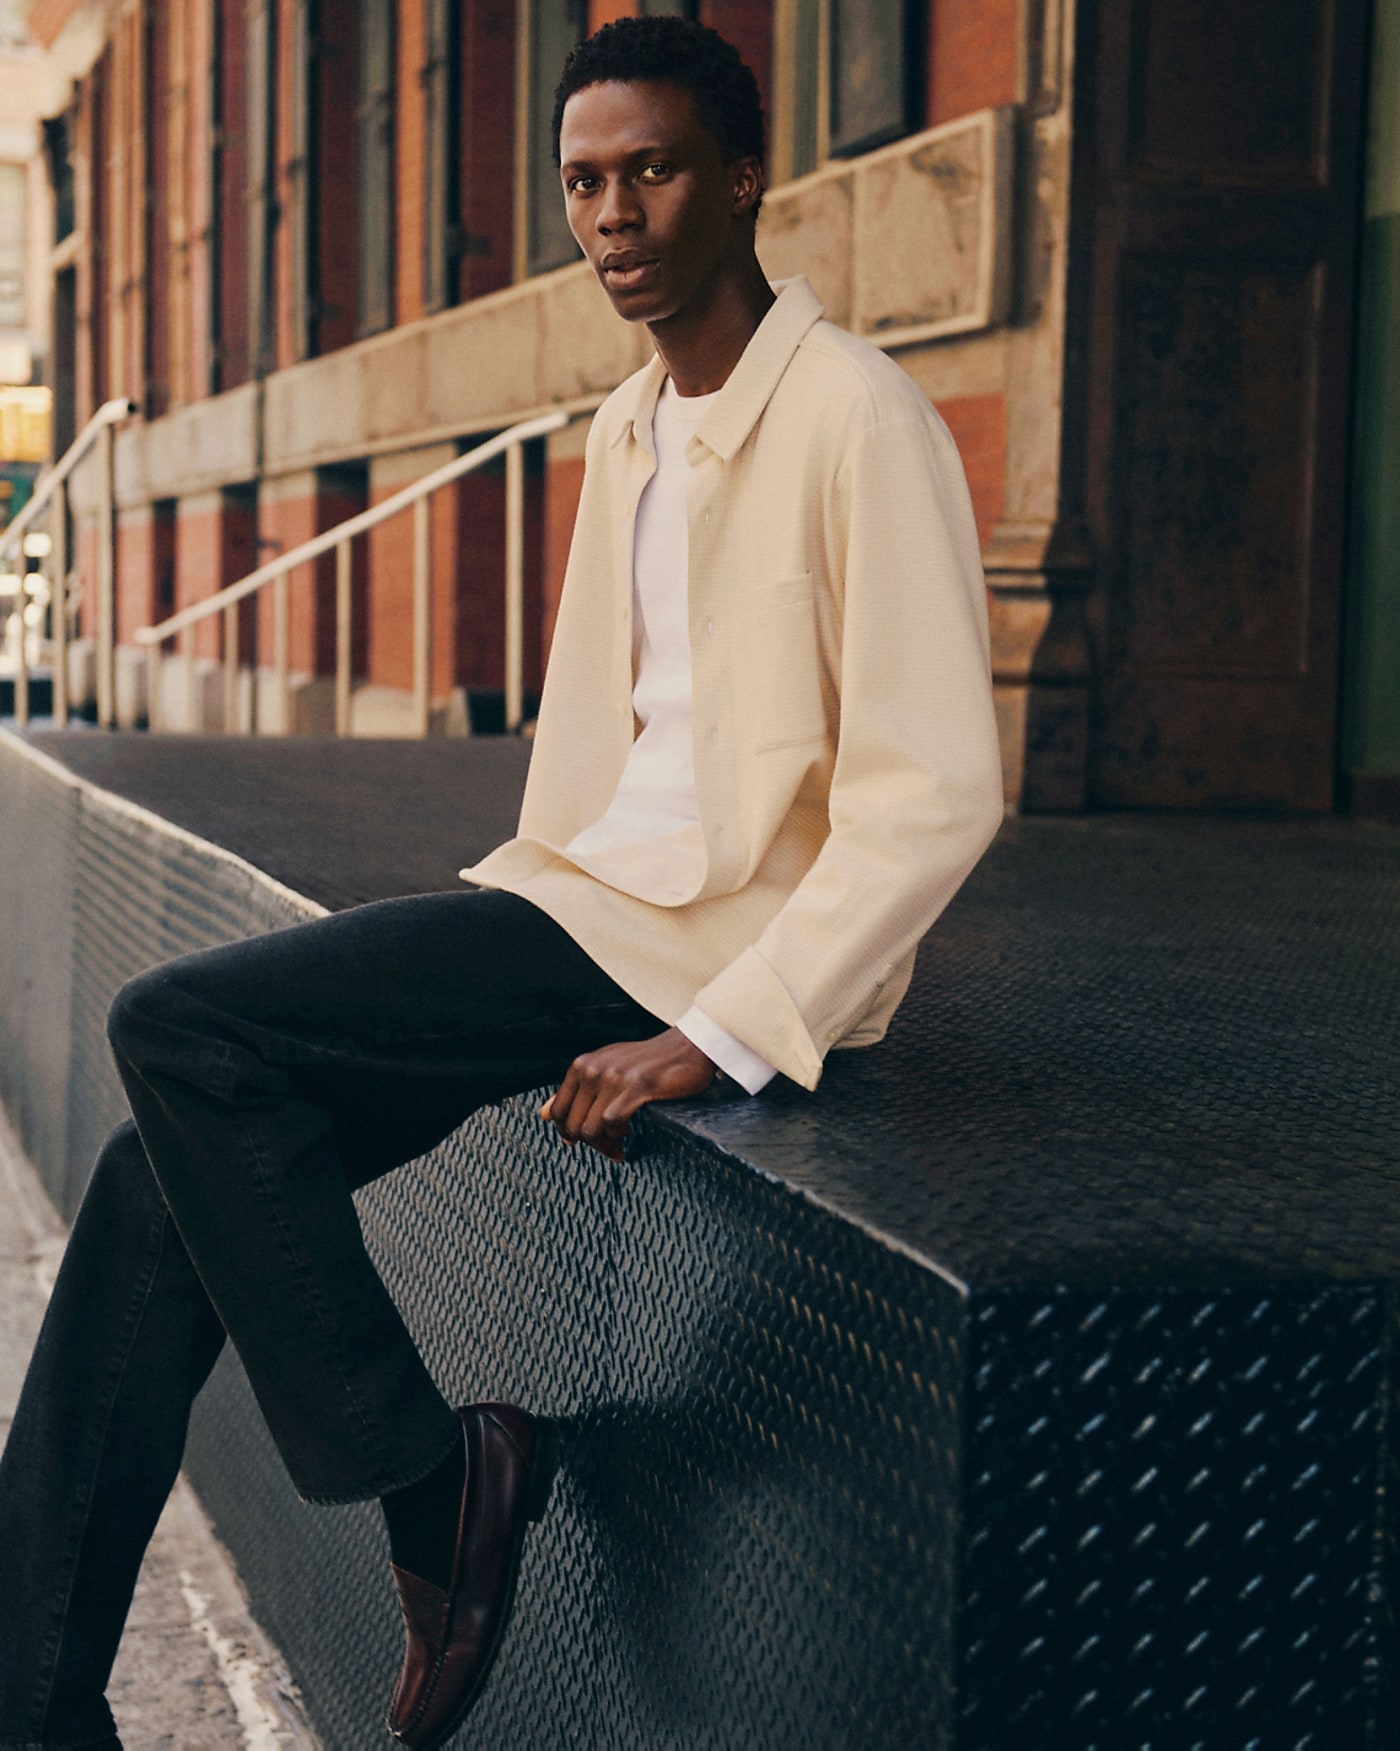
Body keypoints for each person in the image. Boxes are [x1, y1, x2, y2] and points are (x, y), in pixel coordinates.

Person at [0, 15, 1002, 1751]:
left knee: (178, 1029)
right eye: (584, 183)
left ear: (748, 177)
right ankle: (29, 1702)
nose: (614, 215)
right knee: (154, 1172)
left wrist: (728, 1029)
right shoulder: (626, 429)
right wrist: (497, 914)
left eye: (656, 170)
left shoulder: (854, 416)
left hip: (703, 940)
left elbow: (932, 798)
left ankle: (429, 1482)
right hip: (581, 900)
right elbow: (594, 756)